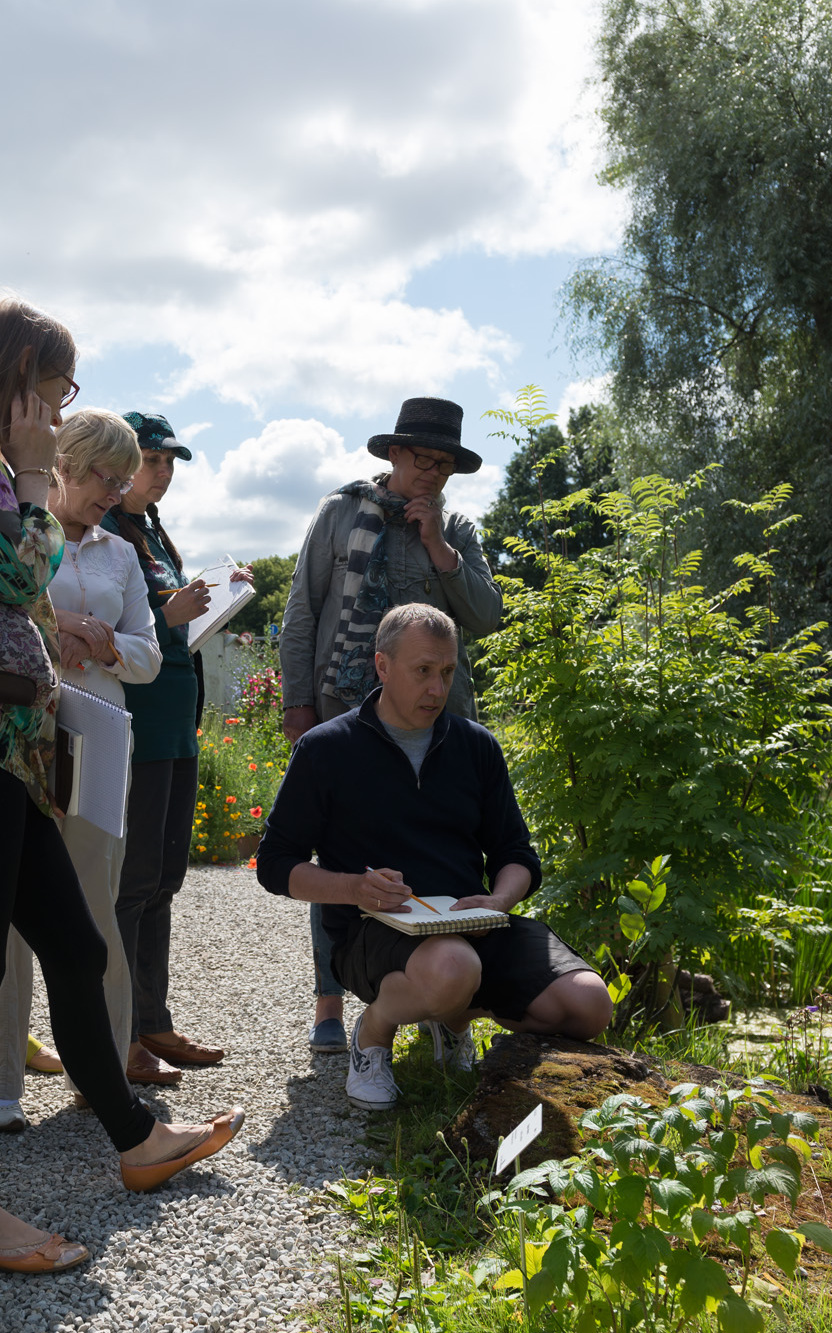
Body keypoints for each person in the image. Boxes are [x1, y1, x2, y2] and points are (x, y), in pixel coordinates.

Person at [0, 298, 242, 1275]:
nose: (57, 406)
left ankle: (132, 1139)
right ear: (21, 375)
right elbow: (18, 570)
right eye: (57, 386)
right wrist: (38, 478)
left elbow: (19, 587)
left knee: (77, 948)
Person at [256, 604, 612, 1111]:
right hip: (372, 933)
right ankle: (374, 1034)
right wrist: (354, 889)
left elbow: (517, 855)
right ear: (382, 666)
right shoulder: (325, 750)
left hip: (475, 926)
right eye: (423, 671)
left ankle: (453, 1019)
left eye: (447, 673)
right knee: (452, 967)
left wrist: (498, 901)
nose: (437, 689)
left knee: (589, 1004)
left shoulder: (476, 745)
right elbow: (274, 864)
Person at [278, 396, 502, 1055]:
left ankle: (439, 1001)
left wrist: (436, 545)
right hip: (346, 715)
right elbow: (301, 616)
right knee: (340, 861)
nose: (432, 472)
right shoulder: (339, 512)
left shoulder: (456, 530)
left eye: (444, 464)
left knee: (443, 855)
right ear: (393, 454)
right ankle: (328, 1003)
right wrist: (299, 706)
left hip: (439, 724)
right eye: (421, 458)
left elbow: (487, 616)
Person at [0, 408, 161, 1133]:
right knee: (10, 910)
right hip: (24, 730)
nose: (113, 492)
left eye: (121, 480)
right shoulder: (22, 532)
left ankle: (105, 1073)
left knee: (96, 908)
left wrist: (110, 646)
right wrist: (53, 629)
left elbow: (151, 654)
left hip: (101, 739)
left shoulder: (121, 555)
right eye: (102, 477)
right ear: (63, 464)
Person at [104, 413, 244, 1084]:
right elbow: (106, 619)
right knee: (131, 883)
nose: (162, 472)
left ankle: (152, 1020)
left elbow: (165, 620)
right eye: (152, 459)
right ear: (120, 460)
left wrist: (214, 598)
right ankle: (120, 1034)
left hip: (173, 725)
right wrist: (171, 613)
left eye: (169, 463)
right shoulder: (100, 528)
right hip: (134, 725)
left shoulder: (153, 530)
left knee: (163, 878)